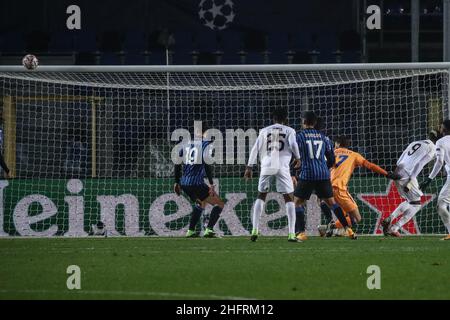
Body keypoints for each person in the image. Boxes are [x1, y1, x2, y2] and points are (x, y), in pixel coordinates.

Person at [293, 111, 356, 239]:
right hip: (323, 174)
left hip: (307, 174)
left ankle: (301, 232)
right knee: (332, 203)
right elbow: (332, 159)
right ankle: (348, 229)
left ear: (304, 122)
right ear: (315, 123)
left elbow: (295, 155)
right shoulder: (324, 137)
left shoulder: (299, 136)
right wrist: (323, 167)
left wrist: (296, 169)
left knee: (297, 203)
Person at [244, 106, 301, 242]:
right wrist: (298, 158)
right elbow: (293, 144)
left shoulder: (264, 130)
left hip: (267, 164)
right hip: (281, 165)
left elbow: (255, 149)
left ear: (273, 118)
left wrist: (249, 167)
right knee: (289, 198)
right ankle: (292, 234)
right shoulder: (290, 130)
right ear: (286, 119)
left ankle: (255, 229)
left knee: (261, 195)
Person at [382, 130, 439, 237]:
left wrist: (396, 172)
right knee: (416, 204)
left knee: (410, 201)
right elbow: (420, 163)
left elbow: (402, 157)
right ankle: (394, 227)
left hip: (398, 171)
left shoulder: (415, 142)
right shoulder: (432, 148)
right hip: (408, 174)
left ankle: (390, 221)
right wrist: (412, 178)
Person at [174, 123, 224, 238]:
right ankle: (209, 230)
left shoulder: (185, 144)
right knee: (219, 204)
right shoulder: (206, 144)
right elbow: (207, 164)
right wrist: (211, 183)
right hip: (196, 183)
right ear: (204, 133)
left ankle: (190, 231)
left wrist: (177, 182)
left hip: (185, 183)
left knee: (201, 203)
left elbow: (177, 164)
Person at [419, 122, 450, 240]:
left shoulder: (441, 142)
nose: (440, 129)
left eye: (441, 127)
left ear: (444, 129)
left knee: (441, 205)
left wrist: (429, 178)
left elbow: (439, 162)